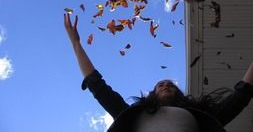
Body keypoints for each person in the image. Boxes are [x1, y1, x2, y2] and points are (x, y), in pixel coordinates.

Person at [64, 13, 253, 132]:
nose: (166, 84)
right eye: (161, 84)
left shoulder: (202, 116)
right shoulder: (133, 114)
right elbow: (98, 86)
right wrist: (76, 44)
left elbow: (240, 97)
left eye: (170, 84)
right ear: (152, 94)